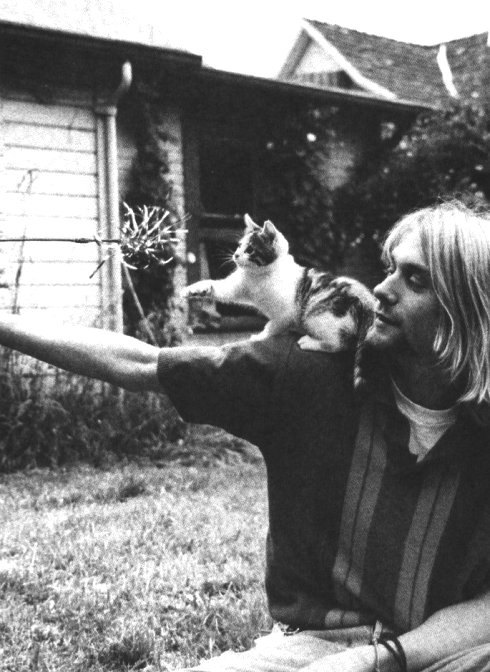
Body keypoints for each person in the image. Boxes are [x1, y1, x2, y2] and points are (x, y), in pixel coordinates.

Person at [0, 200, 489, 672]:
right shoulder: (310, 370)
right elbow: (138, 363)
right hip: (316, 650)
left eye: (415, 279)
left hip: (451, 652)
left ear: (469, 307)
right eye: (390, 269)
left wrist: (382, 659)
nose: (381, 289)